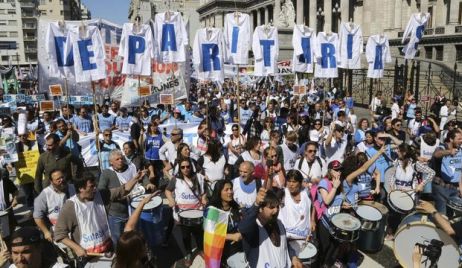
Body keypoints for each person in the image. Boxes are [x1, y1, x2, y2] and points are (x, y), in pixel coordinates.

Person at [54, 171, 145, 258]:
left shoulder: (100, 195)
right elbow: (59, 234)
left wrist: (136, 178)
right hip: (88, 256)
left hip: (107, 250)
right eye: (91, 186)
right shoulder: (70, 206)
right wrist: (76, 248)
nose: (95, 189)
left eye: (95, 186)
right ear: (81, 188)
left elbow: (123, 190)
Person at [98, 150, 155, 247]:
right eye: (117, 159)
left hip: (134, 209)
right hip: (116, 213)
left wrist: (148, 183)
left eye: (121, 158)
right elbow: (102, 191)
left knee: (134, 236)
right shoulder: (106, 173)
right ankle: (119, 257)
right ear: (111, 162)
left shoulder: (131, 167)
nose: (120, 160)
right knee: (118, 238)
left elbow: (141, 175)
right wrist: (118, 193)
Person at [239, 188, 303, 268]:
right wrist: (255, 205)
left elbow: (285, 245)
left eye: (277, 206)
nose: (276, 210)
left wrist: (293, 257)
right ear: (261, 208)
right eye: (271, 207)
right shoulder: (254, 227)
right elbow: (243, 227)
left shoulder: (279, 223)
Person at [165, 159, 207, 266]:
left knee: (199, 234)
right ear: (179, 168)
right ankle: (188, 253)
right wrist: (170, 199)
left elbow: (204, 192)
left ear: (191, 167)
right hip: (183, 214)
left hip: (198, 212)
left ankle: (201, 250)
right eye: (183, 167)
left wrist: (204, 198)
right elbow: (167, 190)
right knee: (185, 236)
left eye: (188, 166)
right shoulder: (176, 179)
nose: (186, 169)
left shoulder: (198, 177)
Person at [278, 170, 316, 256]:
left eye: (294, 182)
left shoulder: (306, 192)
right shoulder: (282, 193)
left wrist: (313, 220)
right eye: (289, 181)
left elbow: (313, 205)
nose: (290, 184)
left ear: (300, 183)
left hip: (305, 237)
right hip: (288, 238)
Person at [208, 180, 243, 266]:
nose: (230, 192)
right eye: (226, 190)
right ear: (219, 192)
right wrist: (232, 236)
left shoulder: (235, 207)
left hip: (234, 250)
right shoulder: (212, 211)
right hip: (217, 252)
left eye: (231, 189)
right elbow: (210, 234)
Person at [33, 169, 75, 242]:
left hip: (76, 228)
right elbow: (37, 216)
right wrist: (46, 232)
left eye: (62, 177)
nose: (61, 180)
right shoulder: (45, 195)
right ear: (51, 182)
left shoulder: (74, 188)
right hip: (59, 233)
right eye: (58, 179)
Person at [430, 129, 462, 215]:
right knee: (441, 214)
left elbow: (459, 171)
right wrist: (449, 152)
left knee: (450, 213)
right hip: (441, 187)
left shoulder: (460, 150)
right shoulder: (442, 147)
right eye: (459, 139)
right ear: (451, 139)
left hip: (454, 188)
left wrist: (461, 187)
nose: (461, 141)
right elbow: (436, 154)